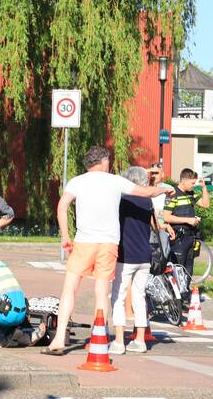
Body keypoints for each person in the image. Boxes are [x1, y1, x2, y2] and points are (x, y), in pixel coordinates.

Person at [43, 145, 174, 355]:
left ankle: (59, 338)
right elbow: (145, 191)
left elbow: (62, 205)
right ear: (104, 161)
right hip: (108, 243)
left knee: (70, 288)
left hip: (84, 240)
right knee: (101, 291)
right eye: (108, 160)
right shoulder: (115, 181)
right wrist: (165, 189)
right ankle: (100, 335)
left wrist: (65, 236)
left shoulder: (77, 181)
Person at [109, 166, 156, 354]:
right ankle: (140, 340)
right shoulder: (147, 201)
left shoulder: (122, 201)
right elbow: (155, 225)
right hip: (145, 256)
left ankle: (119, 341)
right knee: (139, 297)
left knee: (118, 298)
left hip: (126, 255)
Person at [162, 169, 210, 275]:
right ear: (184, 180)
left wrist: (204, 188)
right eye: (192, 183)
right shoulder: (173, 194)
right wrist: (188, 220)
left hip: (190, 237)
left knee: (188, 270)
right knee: (177, 269)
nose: (194, 185)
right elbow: (166, 217)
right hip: (178, 237)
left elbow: (206, 204)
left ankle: (186, 291)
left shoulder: (190, 194)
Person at [148, 162, 175, 256]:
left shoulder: (168, 189)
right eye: (152, 173)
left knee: (163, 255)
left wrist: (166, 224)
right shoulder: (145, 188)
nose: (154, 175)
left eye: (156, 173)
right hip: (148, 227)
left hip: (163, 227)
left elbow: (171, 209)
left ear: (162, 174)